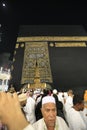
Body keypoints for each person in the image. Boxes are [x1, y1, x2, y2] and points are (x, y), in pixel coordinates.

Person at [0, 92, 69, 130]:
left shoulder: (61, 121)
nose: (51, 114)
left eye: (54, 110)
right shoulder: (35, 127)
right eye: (47, 110)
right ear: (42, 111)